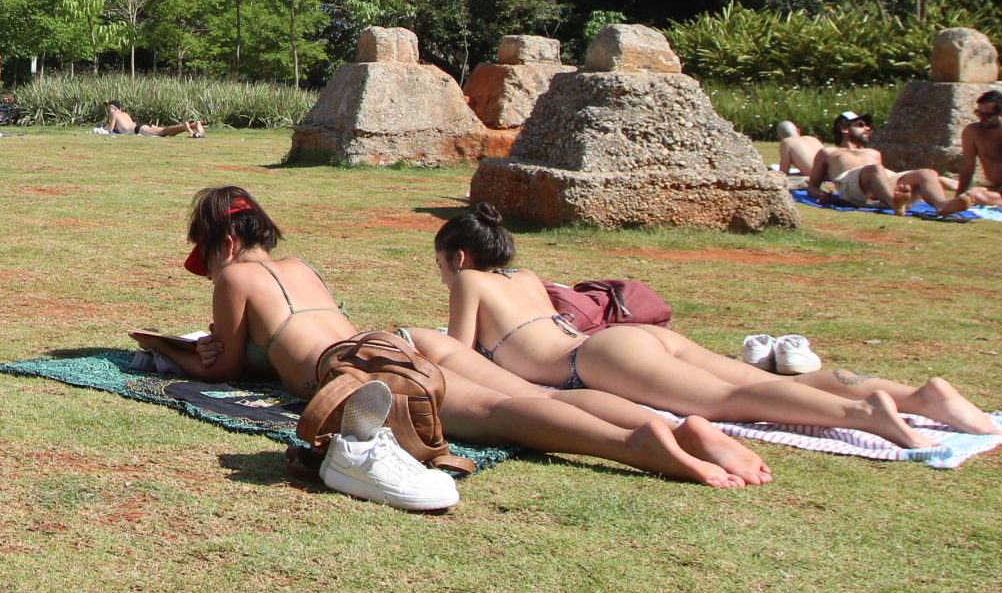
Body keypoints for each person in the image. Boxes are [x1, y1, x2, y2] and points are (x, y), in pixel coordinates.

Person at [183, 185, 771, 490]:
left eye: (204, 256)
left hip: (356, 365)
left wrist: (185, 351)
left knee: (502, 410)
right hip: (396, 339)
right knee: (537, 395)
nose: (207, 268)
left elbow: (228, 368)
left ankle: (639, 444)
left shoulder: (234, 275)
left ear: (224, 243)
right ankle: (680, 429)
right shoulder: (300, 266)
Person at [435, 203, 998, 445]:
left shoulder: (469, 282)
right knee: (760, 382)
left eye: (440, 265)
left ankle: (860, 413)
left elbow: (457, 354)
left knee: (729, 400)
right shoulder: (525, 276)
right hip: (626, 341)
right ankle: (919, 396)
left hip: (594, 361)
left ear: (458, 258)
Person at [102, 100, 204, 138]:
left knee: (163, 131)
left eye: (109, 109)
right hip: (141, 126)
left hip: (139, 129)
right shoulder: (125, 114)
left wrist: (104, 129)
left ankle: (190, 125)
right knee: (166, 132)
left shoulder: (115, 114)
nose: (108, 112)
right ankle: (192, 126)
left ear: (114, 108)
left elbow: (110, 130)